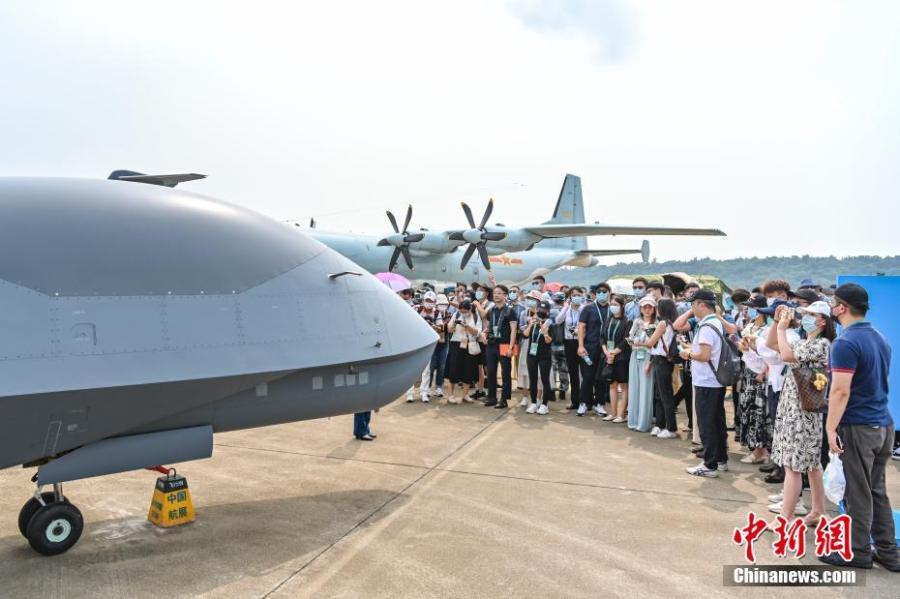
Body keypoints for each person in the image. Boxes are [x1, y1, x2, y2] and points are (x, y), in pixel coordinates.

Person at [821, 283, 900, 571]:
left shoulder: (845, 343)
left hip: (858, 426)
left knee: (857, 492)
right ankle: (889, 552)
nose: (831, 307)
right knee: (876, 490)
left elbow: (841, 390)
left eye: (833, 302)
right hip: (883, 424)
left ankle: (857, 551)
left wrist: (831, 428)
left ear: (842, 307)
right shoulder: (880, 338)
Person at [769, 302, 834, 524]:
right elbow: (772, 344)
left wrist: (781, 328)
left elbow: (787, 356)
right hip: (795, 407)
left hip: (802, 411)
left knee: (793, 465)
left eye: (810, 314)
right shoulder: (805, 341)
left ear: (822, 321)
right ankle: (818, 511)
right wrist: (777, 322)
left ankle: (785, 518)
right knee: (812, 464)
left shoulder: (821, 344)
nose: (805, 317)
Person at [681, 289, 728, 478]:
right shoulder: (715, 322)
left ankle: (709, 465)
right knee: (717, 422)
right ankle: (721, 459)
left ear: (701, 304)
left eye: (693, 304)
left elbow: (704, 355)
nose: (692, 308)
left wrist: (687, 354)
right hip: (715, 381)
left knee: (706, 424)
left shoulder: (707, 326)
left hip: (707, 381)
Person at [736, 295, 771, 465]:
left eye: (750, 307)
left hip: (760, 374)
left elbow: (768, 355)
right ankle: (757, 449)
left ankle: (760, 451)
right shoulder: (749, 325)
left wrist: (763, 370)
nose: (747, 310)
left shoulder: (767, 329)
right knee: (748, 410)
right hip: (747, 373)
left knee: (759, 413)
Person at [645, 298, 679, 438]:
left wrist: (639, 340)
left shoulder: (663, 323)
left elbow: (650, 342)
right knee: (660, 394)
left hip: (662, 361)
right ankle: (660, 425)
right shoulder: (670, 323)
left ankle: (671, 428)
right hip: (661, 360)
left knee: (664, 395)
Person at [576, 284, 609, 416]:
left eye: (604, 291)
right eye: (599, 291)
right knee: (588, 376)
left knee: (602, 377)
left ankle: (599, 404)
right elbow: (581, 327)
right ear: (595, 293)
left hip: (606, 348)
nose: (602, 293)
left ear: (609, 293)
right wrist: (580, 345)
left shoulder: (612, 308)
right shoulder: (588, 308)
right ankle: (584, 403)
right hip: (590, 346)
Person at [482, 285, 517, 408]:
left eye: (499, 293)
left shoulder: (510, 311)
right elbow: (490, 326)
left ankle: (504, 399)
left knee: (505, 373)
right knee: (491, 372)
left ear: (505, 295)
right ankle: (491, 397)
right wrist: (484, 333)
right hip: (492, 344)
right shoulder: (491, 310)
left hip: (505, 344)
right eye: (495, 293)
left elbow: (513, 330)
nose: (496, 295)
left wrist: (511, 347)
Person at [626, 296, 658, 432]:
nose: (647, 309)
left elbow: (654, 345)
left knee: (646, 389)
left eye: (650, 307)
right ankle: (633, 421)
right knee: (634, 388)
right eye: (644, 307)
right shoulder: (637, 321)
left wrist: (640, 343)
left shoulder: (657, 323)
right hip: (635, 356)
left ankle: (643, 423)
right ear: (640, 309)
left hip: (648, 357)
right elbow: (630, 339)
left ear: (654, 309)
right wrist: (637, 343)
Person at [601, 294, 631, 423]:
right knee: (612, 385)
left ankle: (622, 415)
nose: (613, 307)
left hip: (622, 357)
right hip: (608, 356)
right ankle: (613, 413)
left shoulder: (627, 321)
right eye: (612, 304)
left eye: (616, 305)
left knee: (623, 386)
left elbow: (626, 340)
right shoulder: (608, 319)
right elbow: (602, 337)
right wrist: (606, 352)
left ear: (622, 306)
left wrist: (614, 352)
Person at [556, 286, 586, 409]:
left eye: (579, 295)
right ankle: (575, 401)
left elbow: (587, 325)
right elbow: (558, 320)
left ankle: (585, 400)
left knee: (584, 372)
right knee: (573, 372)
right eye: (574, 295)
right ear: (569, 297)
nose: (576, 297)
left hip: (582, 343)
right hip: (569, 343)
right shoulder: (567, 309)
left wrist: (579, 331)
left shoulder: (584, 309)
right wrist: (565, 306)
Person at [445, 300, 481, 404]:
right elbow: (449, 330)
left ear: (470, 309)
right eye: (461, 311)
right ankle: (450, 395)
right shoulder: (456, 314)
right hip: (456, 345)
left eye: (465, 311)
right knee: (453, 370)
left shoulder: (475, 317)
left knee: (468, 370)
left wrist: (467, 326)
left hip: (469, 345)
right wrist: (453, 325)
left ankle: (465, 395)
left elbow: (477, 333)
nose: (463, 313)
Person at [522, 301, 554, 415]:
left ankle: (544, 405)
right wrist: (530, 325)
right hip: (532, 354)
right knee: (533, 379)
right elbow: (525, 335)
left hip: (545, 356)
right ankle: (534, 403)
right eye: (540, 309)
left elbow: (549, 341)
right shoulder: (534, 322)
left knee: (545, 379)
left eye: (544, 310)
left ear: (548, 312)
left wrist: (545, 333)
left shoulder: (550, 324)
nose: (541, 311)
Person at [549, 292, 569, 402]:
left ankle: (551, 391)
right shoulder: (567, 311)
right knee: (564, 369)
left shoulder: (550, 311)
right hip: (564, 344)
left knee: (552, 369)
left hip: (552, 344)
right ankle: (563, 390)